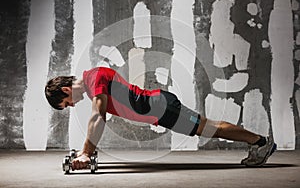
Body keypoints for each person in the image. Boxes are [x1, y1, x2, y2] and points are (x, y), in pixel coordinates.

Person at [45, 67, 276, 170]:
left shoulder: (94, 78)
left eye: (68, 103)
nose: (73, 105)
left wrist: (86, 153)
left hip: (161, 108)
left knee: (209, 128)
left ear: (66, 91)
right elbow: (98, 116)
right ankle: (259, 142)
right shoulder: (92, 81)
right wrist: (86, 152)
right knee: (208, 128)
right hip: (160, 112)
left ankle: (261, 143)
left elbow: (98, 116)